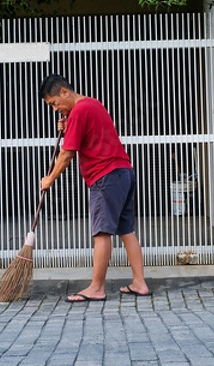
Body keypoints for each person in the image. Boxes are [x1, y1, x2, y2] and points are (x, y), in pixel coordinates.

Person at [39, 74, 151, 302]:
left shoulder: (79, 111)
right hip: (124, 172)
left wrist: (49, 178)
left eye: (53, 103)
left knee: (101, 233)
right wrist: (68, 121)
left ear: (64, 92)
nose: (54, 109)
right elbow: (90, 134)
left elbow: (67, 154)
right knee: (126, 230)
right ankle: (139, 283)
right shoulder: (92, 104)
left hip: (105, 176)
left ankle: (97, 288)